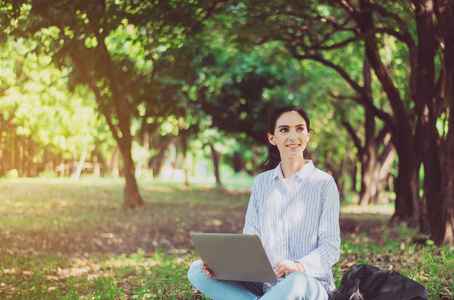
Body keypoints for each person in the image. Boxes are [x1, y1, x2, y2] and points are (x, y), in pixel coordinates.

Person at [187, 105, 341, 299]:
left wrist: (298, 266)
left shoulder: (323, 183)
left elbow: (331, 247)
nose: (293, 136)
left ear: (308, 135)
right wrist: (221, 267)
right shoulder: (262, 183)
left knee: (297, 280)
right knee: (196, 270)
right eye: (284, 130)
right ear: (272, 138)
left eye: (299, 129)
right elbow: (251, 241)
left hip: (310, 284)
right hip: (268, 284)